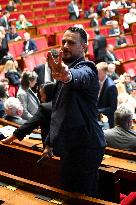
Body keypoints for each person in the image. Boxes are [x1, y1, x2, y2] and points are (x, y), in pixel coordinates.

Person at [42, 26, 106, 197]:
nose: (64, 46)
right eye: (63, 41)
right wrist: (50, 142)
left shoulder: (88, 68)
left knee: (83, 197)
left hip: (86, 147)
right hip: (70, 147)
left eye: (71, 42)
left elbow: (79, 75)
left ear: (84, 47)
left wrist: (67, 75)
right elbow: (58, 109)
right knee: (67, 193)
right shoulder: (63, 71)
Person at [1, 82, 55, 148]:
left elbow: (29, 125)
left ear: (49, 94)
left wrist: (10, 139)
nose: (41, 99)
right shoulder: (63, 103)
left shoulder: (45, 107)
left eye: (42, 95)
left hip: (52, 147)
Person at [96, 62, 118, 128]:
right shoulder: (98, 81)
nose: (96, 74)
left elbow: (113, 108)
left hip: (107, 120)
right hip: (100, 117)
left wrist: (97, 111)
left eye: (99, 73)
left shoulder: (111, 86)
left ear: (105, 72)